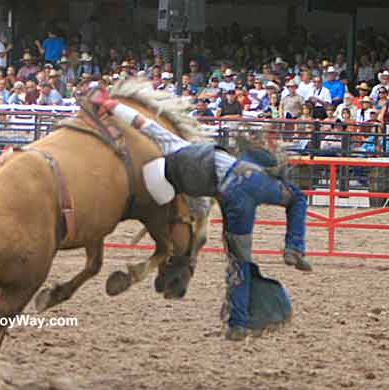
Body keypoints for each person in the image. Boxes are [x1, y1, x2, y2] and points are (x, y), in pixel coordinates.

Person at [90, 87, 310, 341]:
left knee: (239, 264)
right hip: (247, 176)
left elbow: (194, 219)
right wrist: (109, 103)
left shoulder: (189, 191)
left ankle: (237, 324)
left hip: (230, 198)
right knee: (296, 198)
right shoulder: (177, 145)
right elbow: (143, 123)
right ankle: (294, 247)